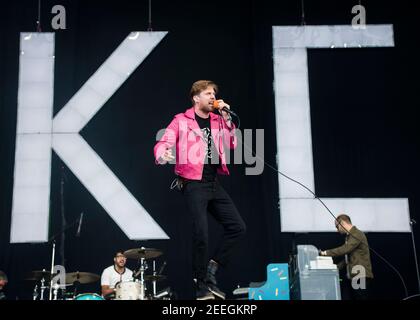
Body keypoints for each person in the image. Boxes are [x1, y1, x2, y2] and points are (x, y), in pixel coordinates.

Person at [154, 80, 246, 300]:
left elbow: (232, 144)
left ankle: (212, 270)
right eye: (207, 93)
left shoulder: (217, 119)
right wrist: (163, 153)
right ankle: (200, 283)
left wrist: (226, 118)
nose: (212, 96)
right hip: (192, 182)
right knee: (201, 233)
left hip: (213, 181)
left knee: (238, 227)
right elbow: (164, 141)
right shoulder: (181, 120)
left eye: (214, 93)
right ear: (196, 98)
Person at [320, 214, 374, 300]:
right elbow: (347, 258)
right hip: (354, 276)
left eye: (337, 227)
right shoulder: (349, 237)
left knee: (360, 298)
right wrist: (335, 267)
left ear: (343, 223)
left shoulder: (357, 234)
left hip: (359, 274)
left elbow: (345, 249)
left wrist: (325, 253)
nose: (337, 230)